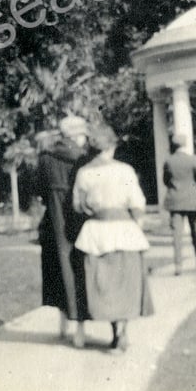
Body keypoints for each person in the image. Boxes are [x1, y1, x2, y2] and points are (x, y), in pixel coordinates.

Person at [71, 124, 154, 350]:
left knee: (102, 283)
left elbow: (78, 205)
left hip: (97, 231)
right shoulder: (124, 170)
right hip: (124, 230)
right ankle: (122, 330)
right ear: (111, 147)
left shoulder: (84, 173)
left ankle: (113, 329)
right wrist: (138, 224)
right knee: (126, 283)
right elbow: (137, 202)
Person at [36, 115, 89, 339]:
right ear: (77, 134)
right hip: (77, 218)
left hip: (53, 221)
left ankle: (62, 324)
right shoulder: (83, 159)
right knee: (80, 269)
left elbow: (37, 190)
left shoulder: (45, 158)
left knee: (58, 268)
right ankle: (80, 329)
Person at [163, 133, 196, 274]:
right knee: (195, 231)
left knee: (177, 233)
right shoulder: (193, 159)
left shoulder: (169, 161)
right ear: (185, 144)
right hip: (192, 199)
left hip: (175, 199)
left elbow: (165, 180)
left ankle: (178, 264)